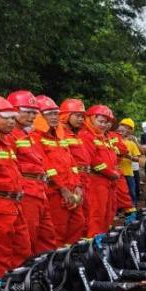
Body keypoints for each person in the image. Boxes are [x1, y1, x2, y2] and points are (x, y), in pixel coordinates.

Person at [0, 95, 32, 278]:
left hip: (14, 205)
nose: (11, 122)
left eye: (12, 117)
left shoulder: (7, 141)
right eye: (6, 118)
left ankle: (16, 286)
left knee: (22, 249)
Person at [7, 90, 58, 253]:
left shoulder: (27, 135)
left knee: (47, 237)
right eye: (27, 112)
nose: (32, 116)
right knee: (29, 237)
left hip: (39, 190)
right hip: (27, 192)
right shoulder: (9, 136)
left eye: (34, 113)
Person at [35, 95, 79, 247]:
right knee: (58, 229)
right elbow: (46, 166)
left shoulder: (59, 136)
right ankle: (59, 258)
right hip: (54, 191)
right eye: (49, 114)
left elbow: (71, 163)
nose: (54, 117)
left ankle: (70, 256)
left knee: (77, 224)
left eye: (56, 114)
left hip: (70, 187)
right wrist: (63, 188)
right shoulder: (36, 137)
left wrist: (77, 185)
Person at [83, 104, 121, 235]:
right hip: (97, 180)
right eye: (101, 122)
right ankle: (94, 240)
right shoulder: (86, 136)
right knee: (96, 213)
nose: (104, 125)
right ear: (90, 119)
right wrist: (111, 173)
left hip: (108, 181)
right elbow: (94, 161)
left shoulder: (104, 137)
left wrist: (114, 173)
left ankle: (103, 238)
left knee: (108, 212)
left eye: (106, 123)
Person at [57, 99, 89, 243]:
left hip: (79, 179)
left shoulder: (75, 134)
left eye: (82, 116)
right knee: (64, 223)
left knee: (79, 221)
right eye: (77, 115)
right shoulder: (60, 133)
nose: (81, 119)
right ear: (66, 115)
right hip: (67, 180)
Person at [117, 117, 142, 205]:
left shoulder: (131, 143)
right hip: (116, 173)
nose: (120, 132)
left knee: (132, 191)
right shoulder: (112, 142)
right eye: (119, 130)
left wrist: (129, 157)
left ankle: (133, 207)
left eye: (123, 130)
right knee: (119, 193)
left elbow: (138, 158)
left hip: (128, 172)